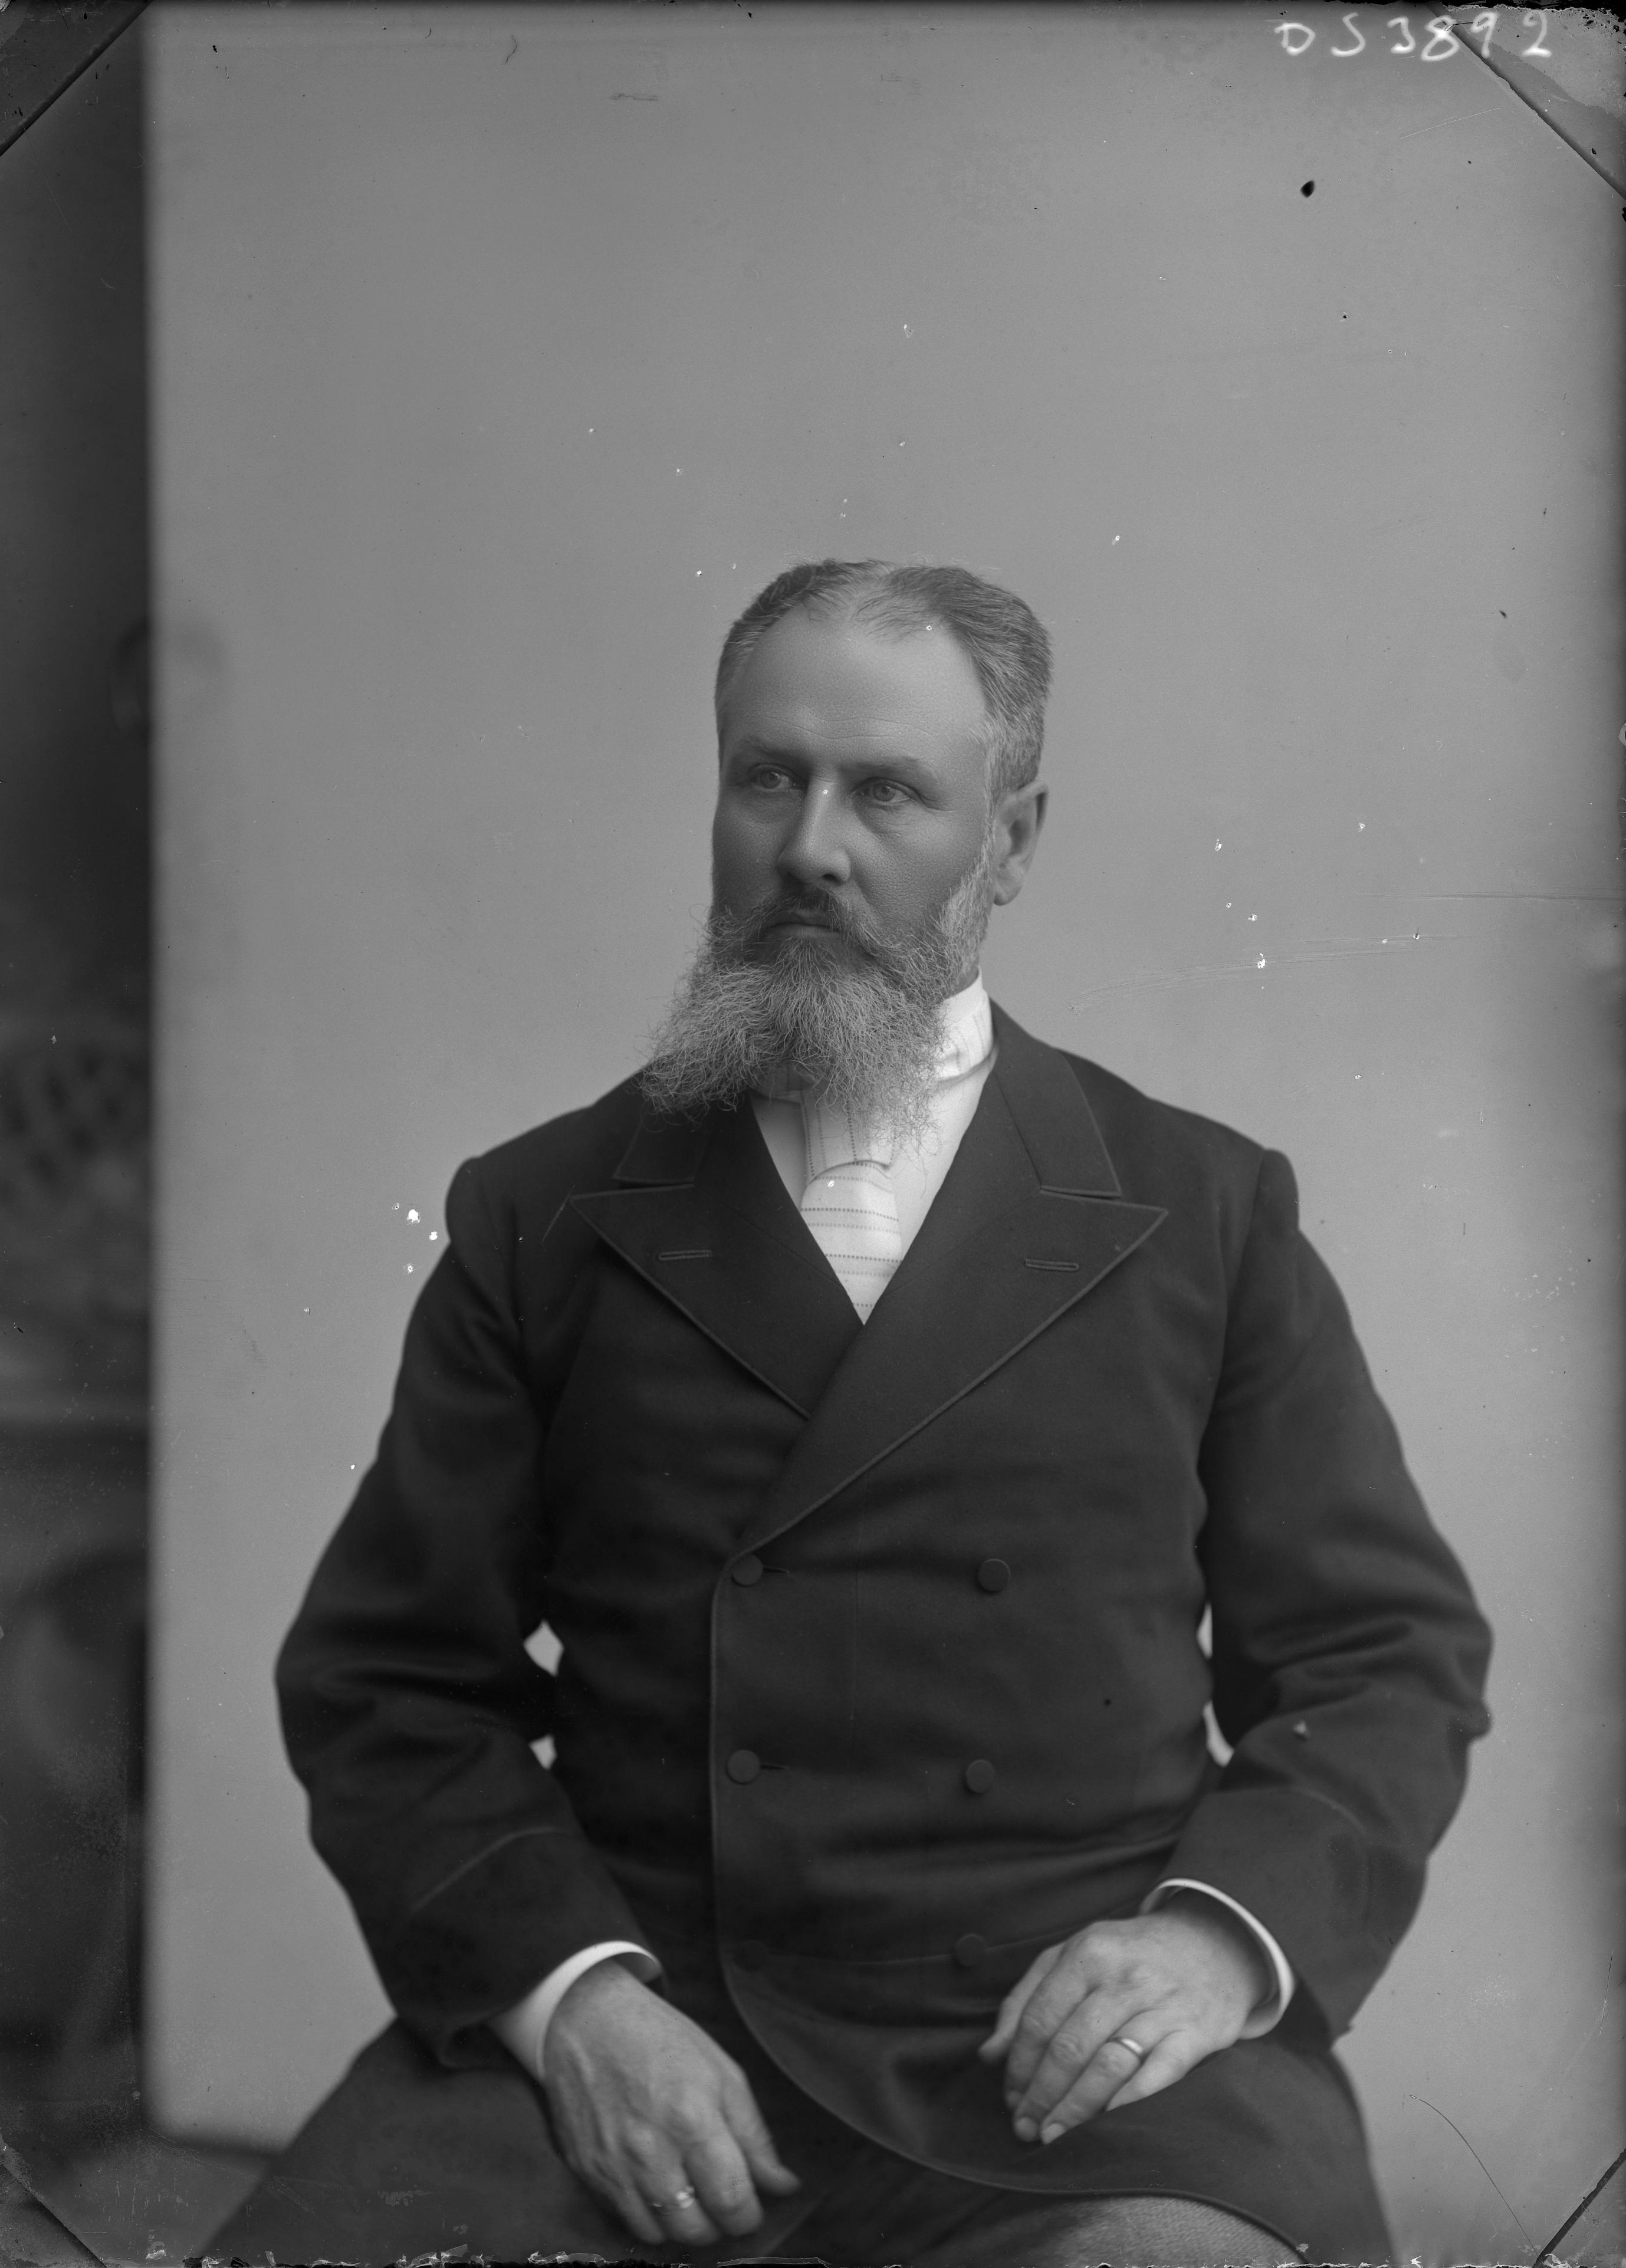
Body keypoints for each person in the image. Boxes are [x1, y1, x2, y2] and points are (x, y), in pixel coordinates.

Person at [231, 561, 1492, 2268]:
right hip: (661, 2017)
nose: (811, 848)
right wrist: (572, 2000)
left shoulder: (1201, 1211)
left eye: (889, 791)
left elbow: (1381, 1657)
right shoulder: (544, 1216)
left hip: (1065, 2051)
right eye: (770, 777)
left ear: (1012, 841)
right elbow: (386, 1681)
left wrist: (1211, 1943)